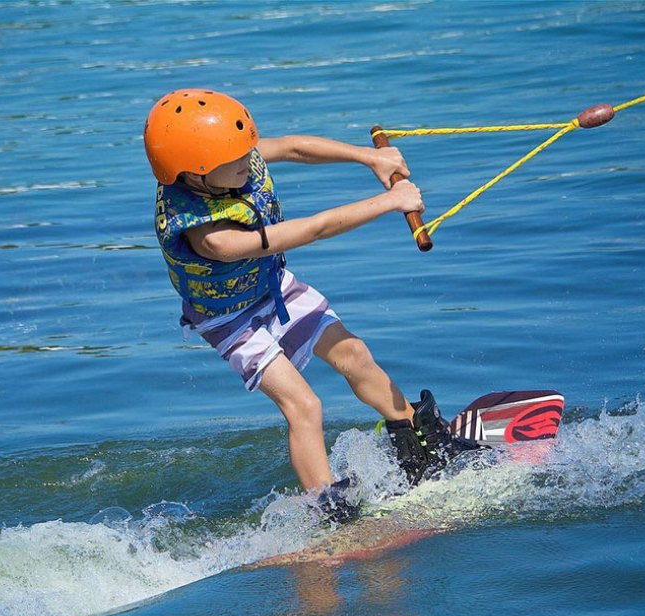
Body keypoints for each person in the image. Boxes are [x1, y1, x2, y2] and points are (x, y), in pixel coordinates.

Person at [145, 89, 478, 522]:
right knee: (304, 406)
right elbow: (314, 230)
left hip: (272, 287)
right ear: (196, 173)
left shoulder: (228, 159)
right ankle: (331, 509)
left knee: (355, 355)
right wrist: (390, 201)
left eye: (248, 152)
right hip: (230, 320)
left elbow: (293, 147)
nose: (250, 161)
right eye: (239, 160)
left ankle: (417, 440)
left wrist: (369, 158)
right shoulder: (213, 238)